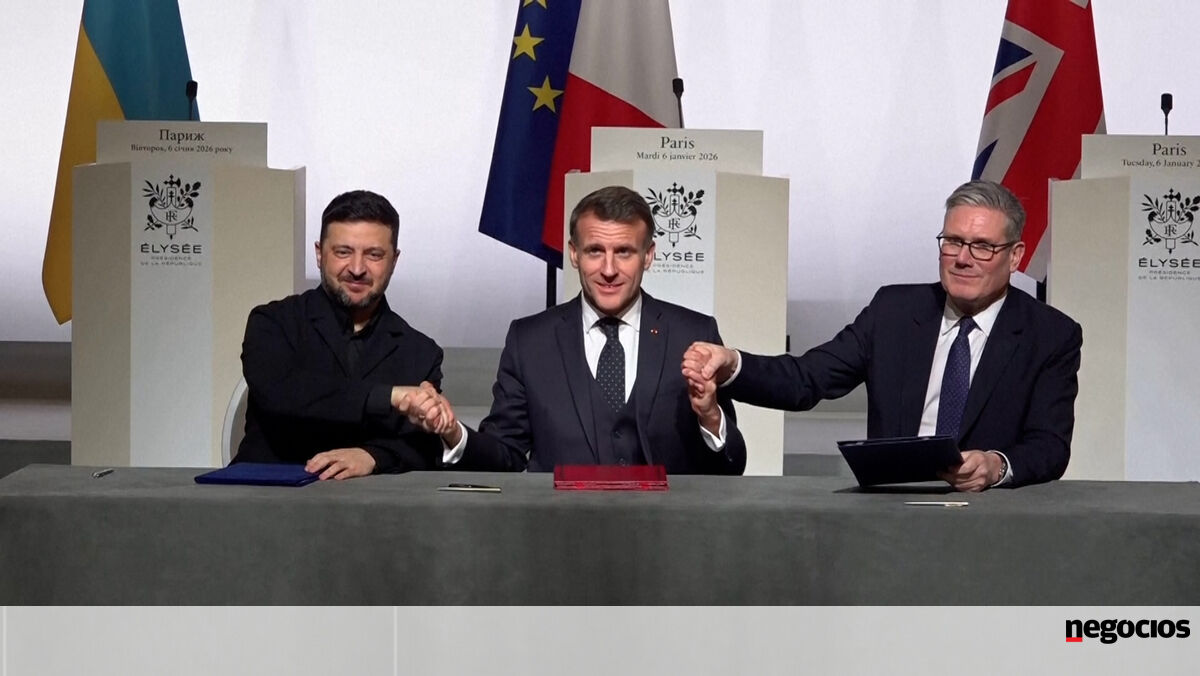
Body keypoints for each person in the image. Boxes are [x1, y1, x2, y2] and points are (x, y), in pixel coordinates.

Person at [682, 179, 1082, 490]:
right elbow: (805, 379)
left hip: (991, 518)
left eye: (982, 247)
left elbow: (1049, 446)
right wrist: (733, 364)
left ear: (1015, 256)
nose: (962, 258)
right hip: (892, 513)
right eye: (953, 242)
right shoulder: (893, 312)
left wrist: (997, 466)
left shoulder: (1050, 335)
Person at [411, 185, 746, 474]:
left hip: (669, 527)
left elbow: (732, 466)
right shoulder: (529, 341)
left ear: (648, 256)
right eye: (595, 251)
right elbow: (505, 455)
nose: (609, 269)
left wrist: (710, 418)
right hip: (561, 528)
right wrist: (454, 434)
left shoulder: (694, 334)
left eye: (624, 252)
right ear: (574, 254)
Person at [234, 189, 451, 479]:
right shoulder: (273, 323)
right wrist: (388, 396)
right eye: (343, 252)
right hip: (266, 494)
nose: (357, 268)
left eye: (374, 255)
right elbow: (282, 393)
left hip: (372, 504)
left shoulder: (421, 352)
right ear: (319, 254)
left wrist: (373, 456)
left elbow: (424, 446)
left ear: (394, 261)